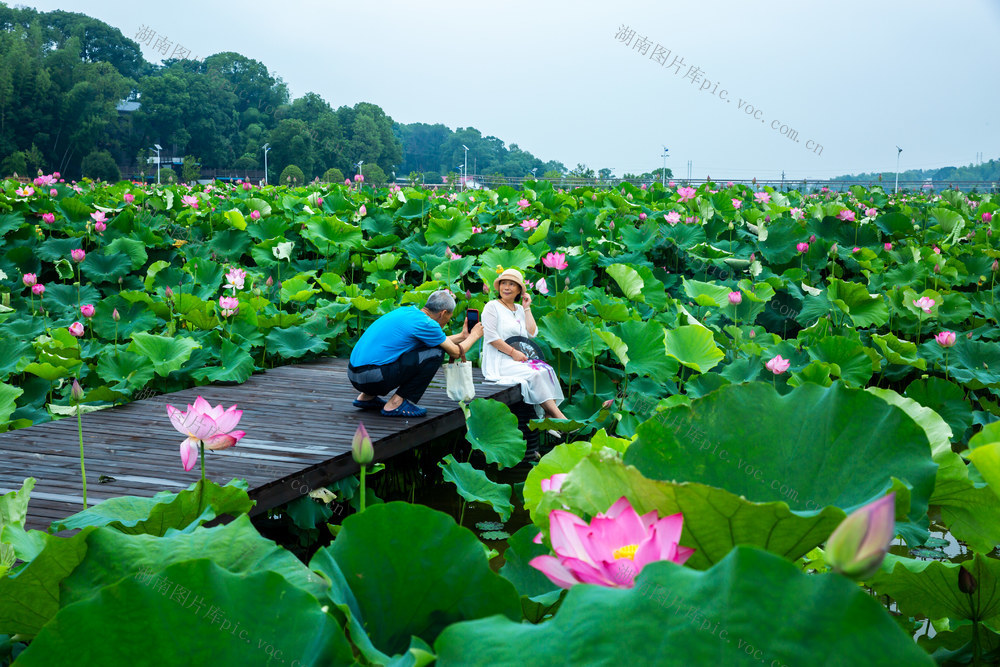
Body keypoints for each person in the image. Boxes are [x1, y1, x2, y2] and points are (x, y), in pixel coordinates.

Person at [349, 290, 483, 417]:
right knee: (436, 354)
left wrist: (462, 336)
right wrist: (475, 335)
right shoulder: (428, 324)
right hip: (374, 379)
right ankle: (396, 404)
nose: (448, 321)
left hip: (355, 376)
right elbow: (454, 353)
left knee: (416, 350)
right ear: (443, 313)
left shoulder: (407, 311)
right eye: (449, 317)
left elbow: (438, 341)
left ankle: (366, 397)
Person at [481, 268, 566, 420]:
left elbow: (532, 333)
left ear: (519, 289)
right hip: (499, 361)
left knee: (545, 369)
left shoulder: (519, 308)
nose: (507, 287)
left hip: (519, 359)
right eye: (504, 283)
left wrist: (527, 308)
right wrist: (513, 353)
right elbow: (491, 337)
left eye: (512, 284)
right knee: (534, 374)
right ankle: (558, 417)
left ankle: (548, 413)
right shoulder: (492, 307)